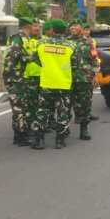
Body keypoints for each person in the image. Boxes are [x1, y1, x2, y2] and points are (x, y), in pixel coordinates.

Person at [33, 20, 79, 150]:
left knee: (42, 111)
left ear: (52, 30)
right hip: (64, 84)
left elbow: (35, 59)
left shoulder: (41, 43)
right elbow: (75, 65)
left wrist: (47, 67)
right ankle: (60, 141)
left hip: (47, 82)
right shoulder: (71, 45)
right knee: (63, 112)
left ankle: (39, 140)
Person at [3, 17, 38, 146]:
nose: (37, 28)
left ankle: (23, 133)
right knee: (19, 109)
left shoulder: (25, 38)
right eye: (34, 25)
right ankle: (20, 136)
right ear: (28, 26)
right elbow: (12, 59)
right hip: (15, 79)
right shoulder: (17, 38)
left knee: (24, 107)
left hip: (21, 78)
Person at [68, 19, 96, 140]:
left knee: (84, 105)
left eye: (75, 25)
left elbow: (94, 60)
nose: (72, 28)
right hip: (67, 79)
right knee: (65, 105)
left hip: (84, 78)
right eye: (71, 26)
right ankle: (64, 129)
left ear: (80, 27)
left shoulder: (88, 42)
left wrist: (94, 75)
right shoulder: (65, 42)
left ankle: (84, 130)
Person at [83, 24, 100, 121]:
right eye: (85, 30)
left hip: (89, 70)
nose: (86, 32)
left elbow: (95, 55)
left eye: (87, 30)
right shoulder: (76, 41)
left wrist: (95, 72)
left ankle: (88, 113)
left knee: (89, 93)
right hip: (79, 70)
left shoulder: (92, 41)